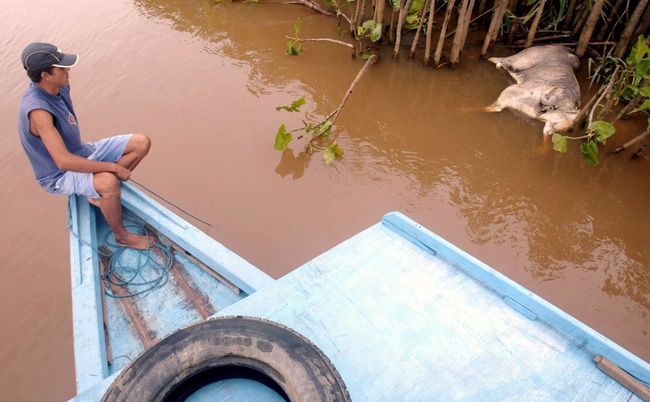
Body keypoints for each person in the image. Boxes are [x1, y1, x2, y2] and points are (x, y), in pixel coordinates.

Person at [18, 42, 155, 250]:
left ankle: (96, 192)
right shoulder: (39, 112)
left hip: (83, 151)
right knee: (109, 182)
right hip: (58, 174)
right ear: (45, 76)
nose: (68, 70)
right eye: (62, 68)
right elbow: (63, 161)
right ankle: (122, 236)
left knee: (141, 143)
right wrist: (112, 167)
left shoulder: (59, 86)